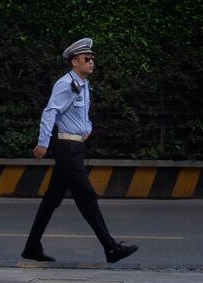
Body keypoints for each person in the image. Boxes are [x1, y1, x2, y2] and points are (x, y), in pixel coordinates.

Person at [21, 37, 138, 264]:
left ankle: (31, 247)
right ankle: (111, 248)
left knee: (51, 199)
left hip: (75, 147)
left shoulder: (83, 85)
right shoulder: (66, 84)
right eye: (87, 59)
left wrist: (88, 129)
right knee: (87, 198)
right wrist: (43, 142)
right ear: (75, 62)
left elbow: (82, 116)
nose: (91, 62)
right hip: (67, 148)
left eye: (92, 58)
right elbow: (50, 112)